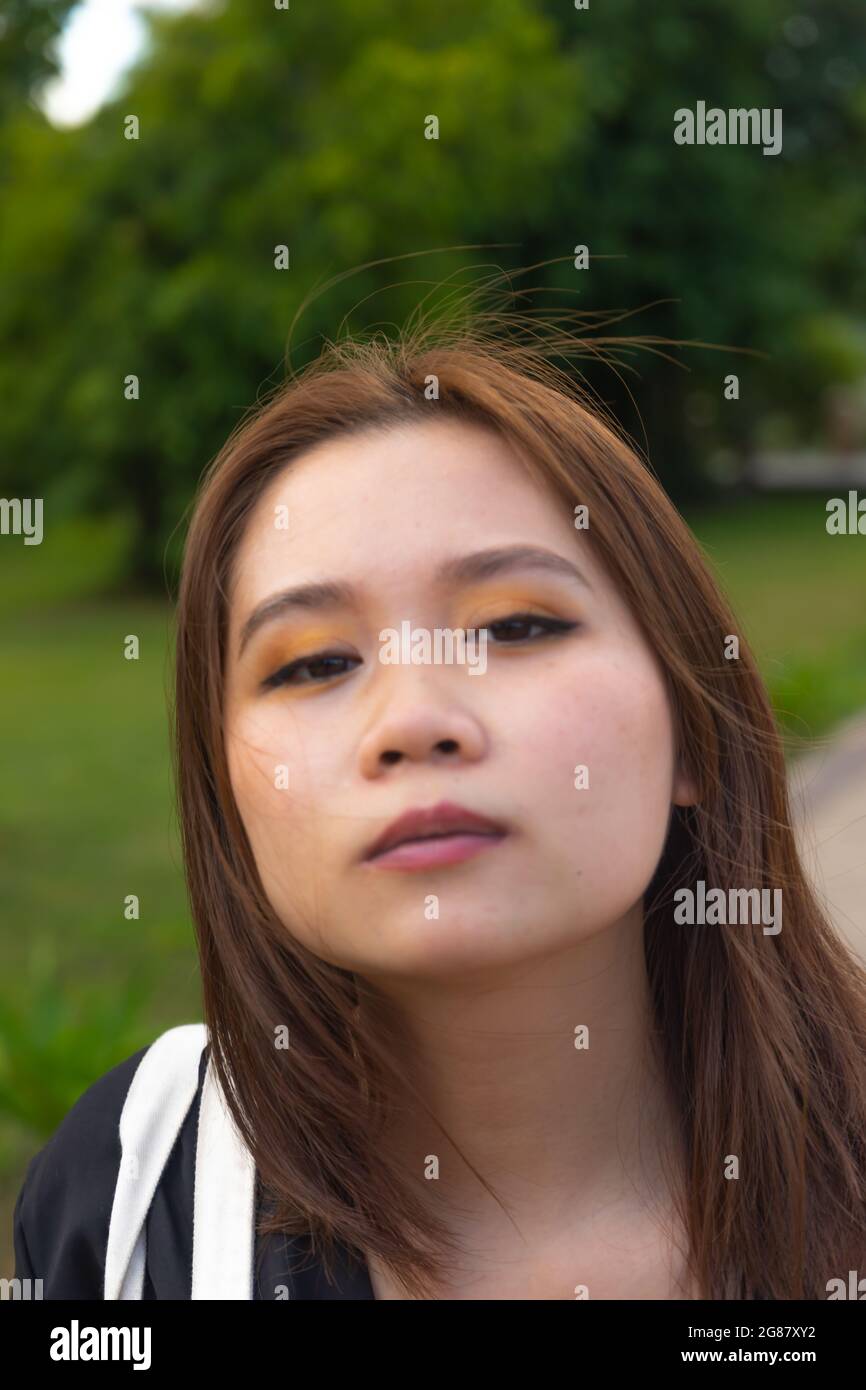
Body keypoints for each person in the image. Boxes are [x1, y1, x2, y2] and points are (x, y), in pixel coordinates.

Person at [13, 305, 866, 1300]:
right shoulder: (132, 1192)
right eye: (315, 662)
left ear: (690, 725)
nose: (413, 718)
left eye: (511, 626)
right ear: (229, 792)